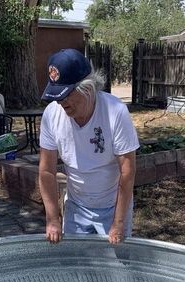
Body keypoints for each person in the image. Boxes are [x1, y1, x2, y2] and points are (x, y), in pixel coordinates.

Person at [38, 49, 139, 245]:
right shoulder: (51, 115)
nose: (60, 103)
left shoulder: (115, 112)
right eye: (56, 96)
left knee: (115, 265)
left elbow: (127, 171)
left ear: (88, 88)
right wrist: (52, 218)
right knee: (78, 264)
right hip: (76, 205)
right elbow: (47, 172)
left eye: (65, 96)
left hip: (113, 206)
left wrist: (118, 223)